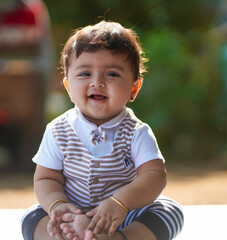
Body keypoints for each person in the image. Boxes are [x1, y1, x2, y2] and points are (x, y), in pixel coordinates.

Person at [21, 20, 184, 240]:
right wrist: (58, 205)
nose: (97, 82)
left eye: (112, 74)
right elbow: (46, 179)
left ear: (133, 88)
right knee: (31, 216)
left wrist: (120, 203)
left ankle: (118, 237)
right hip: (73, 211)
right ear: (68, 87)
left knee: (169, 211)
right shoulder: (58, 130)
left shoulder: (136, 132)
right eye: (85, 74)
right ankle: (71, 234)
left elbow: (154, 176)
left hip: (123, 215)